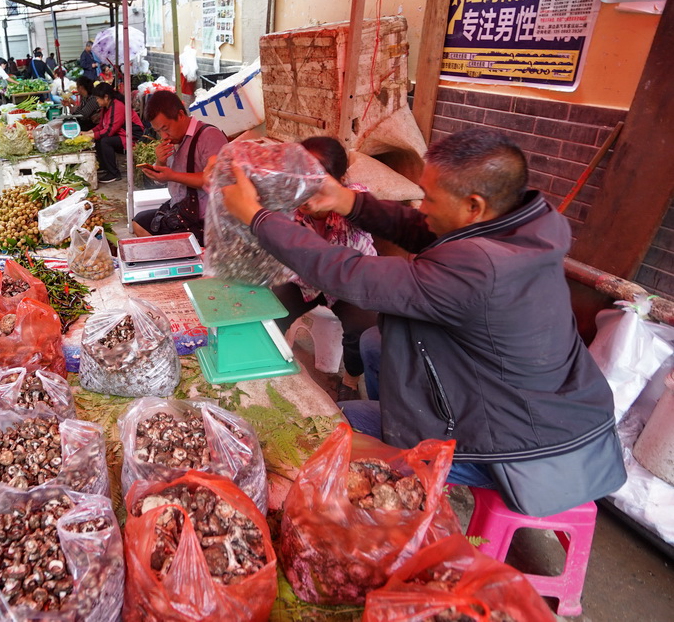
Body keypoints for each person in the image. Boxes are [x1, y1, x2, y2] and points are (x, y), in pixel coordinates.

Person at [222, 127, 626, 510]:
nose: (422, 207)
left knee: (341, 420)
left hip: (525, 455)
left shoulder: (482, 271)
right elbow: (423, 230)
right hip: (546, 414)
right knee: (375, 343)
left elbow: (350, 273)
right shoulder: (523, 226)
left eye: (429, 198)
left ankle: (407, 471)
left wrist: (258, 217)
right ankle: (404, 432)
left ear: (473, 205)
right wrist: (347, 201)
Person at [270, 137, 378, 401]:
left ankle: (351, 379)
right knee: (269, 313)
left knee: (362, 329)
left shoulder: (356, 199)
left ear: (337, 178)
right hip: (306, 281)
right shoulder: (291, 205)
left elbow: (368, 213)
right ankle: (273, 364)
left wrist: (335, 202)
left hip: (351, 284)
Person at [133, 90, 226, 242]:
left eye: (165, 128)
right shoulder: (174, 140)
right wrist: (160, 163)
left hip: (203, 219)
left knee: (172, 243)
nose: (163, 136)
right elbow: (163, 179)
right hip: (178, 209)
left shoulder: (209, 136)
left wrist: (172, 175)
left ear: (181, 116)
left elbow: (216, 179)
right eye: (158, 131)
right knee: (139, 222)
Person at [87, 82, 142, 184]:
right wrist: (87, 133)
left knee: (105, 141)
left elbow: (109, 131)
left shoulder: (117, 106)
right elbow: (101, 126)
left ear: (106, 97)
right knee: (99, 139)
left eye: (98, 98)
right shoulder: (106, 108)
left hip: (132, 136)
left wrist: (90, 135)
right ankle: (105, 167)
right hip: (121, 135)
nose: (96, 101)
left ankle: (114, 173)